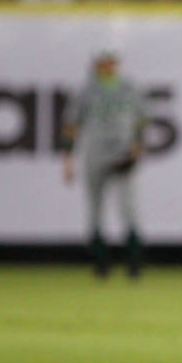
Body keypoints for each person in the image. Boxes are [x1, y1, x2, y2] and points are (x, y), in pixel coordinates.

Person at [62, 51, 147, 278]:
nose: (110, 68)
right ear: (97, 66)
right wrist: (68, 160)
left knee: (128, 208)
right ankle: (101, 264)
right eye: (105, 64)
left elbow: (142, 121)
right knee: (96, 209)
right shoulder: (85, 92)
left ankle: (134, 264)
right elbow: (71, 126)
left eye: (112, 64)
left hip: (122, 153)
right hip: (96, 154)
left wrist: (139, 146)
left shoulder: (129, 89)